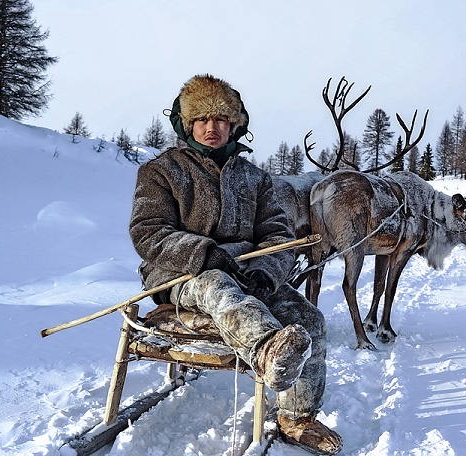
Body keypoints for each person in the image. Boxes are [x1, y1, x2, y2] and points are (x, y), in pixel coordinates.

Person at [129, 74, 342, 455]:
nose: (212, 128)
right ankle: (267, 352)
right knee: (215, 285)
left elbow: (278, 235)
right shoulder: (162, 171)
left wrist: (267, 272)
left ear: (234, 126)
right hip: (183, 273)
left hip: (247, 270)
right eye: (202, 120)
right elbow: (148, 233)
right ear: (188, 124)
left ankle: (297, 418)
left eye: (221, 120)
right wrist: (203, 253)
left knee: (309, 318)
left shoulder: (255, 178)